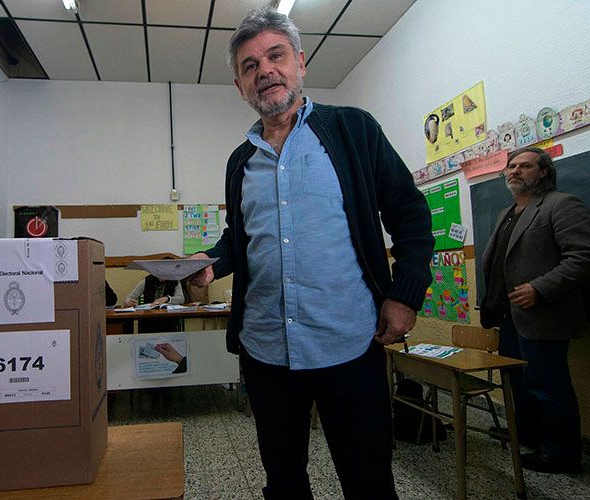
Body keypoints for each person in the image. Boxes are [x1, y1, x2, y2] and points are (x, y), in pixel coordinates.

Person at [189, 7, 433, 499]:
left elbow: (410, 214)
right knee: (284, 482)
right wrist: (210, 262)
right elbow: (241, 237)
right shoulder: (241, 163)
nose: (265, 71)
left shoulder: (353, 131)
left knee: (368, 482)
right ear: (240, 86)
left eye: (275, 56)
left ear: (300, 62)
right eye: (250, 66)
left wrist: (405, 295)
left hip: (349, 344)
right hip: (266, 352)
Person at [480, 146, 590, 474]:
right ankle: (528, 437)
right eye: (511, 167)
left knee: (547, 384)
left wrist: (540, 288)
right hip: (507, 314)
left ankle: (561, 454)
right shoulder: (506, 213)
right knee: (518, 382)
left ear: (543, 172)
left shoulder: (560, 204)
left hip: (542, 314)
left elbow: (582, 256)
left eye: (525, 166)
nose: (514, 171)